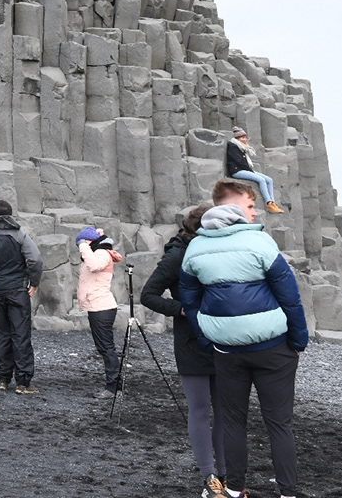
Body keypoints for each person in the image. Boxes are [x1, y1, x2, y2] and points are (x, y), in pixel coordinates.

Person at [180, 178, 308, 498]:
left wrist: (208, 339)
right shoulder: (260, 242)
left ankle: (235, 490)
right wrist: (298, 339)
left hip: (227, 351)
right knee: (279, 423)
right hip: (273, 348)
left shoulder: (195, 247)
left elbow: (190, 301)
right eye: (251, 207)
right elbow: (288, 294)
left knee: (234, 422)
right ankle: (288, 493)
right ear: (234, 206)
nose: (255, 213)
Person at [143, 202, 228, 498]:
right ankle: (210, 478)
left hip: (223, 338)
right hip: (192, 341)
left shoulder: (219, 251)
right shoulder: (178, 253)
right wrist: (181, 309)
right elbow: (148, 295)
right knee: (201, 410)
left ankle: (226, 477)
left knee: (226, 411)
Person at [0, 198, 43, 394]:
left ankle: (3, 379)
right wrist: (33, 282)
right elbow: (35, 260)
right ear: (11, 216)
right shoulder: (21, 236)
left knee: (2, 333)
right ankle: (23, 382)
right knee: (20, 334)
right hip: (18, 290)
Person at [77, 225, 125, 395]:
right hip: (98, 307)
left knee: (106, 347)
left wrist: (83, 244)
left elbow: (93, 265)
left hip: (101, 308)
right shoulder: (100, 252)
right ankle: (114, 385)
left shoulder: (102, 254)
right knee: (104, 347)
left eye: (85, 242)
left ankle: (114, 387)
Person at [224, 128, 283, 214]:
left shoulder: (242, 147)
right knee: (261, 180)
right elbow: (239, 161)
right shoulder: (233, 147)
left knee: (269, 180)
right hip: (237, 171)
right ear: (237, 139)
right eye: (242, 138)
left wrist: (250, 170)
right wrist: (250, 171)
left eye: (245, 137)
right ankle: (268, 203)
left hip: (246, 169)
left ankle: (273, 203)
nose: (244, 139)